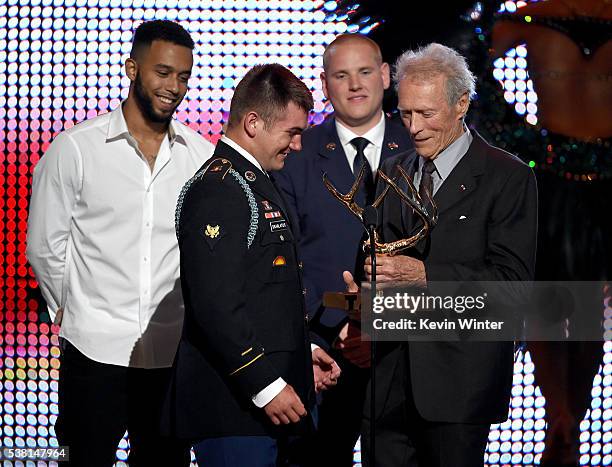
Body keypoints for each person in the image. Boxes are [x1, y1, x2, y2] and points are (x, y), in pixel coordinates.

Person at [26, 20, 214, 466]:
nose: (174, 87)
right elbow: (45, 247)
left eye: (184, 76)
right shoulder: (76, 149)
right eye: (163, 72)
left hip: (171, 355)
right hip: (94, 354)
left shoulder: (200, 155)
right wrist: (76, 312)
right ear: (132, 68)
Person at [348, 43, 538, 466]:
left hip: (459, 386)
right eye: (406, 113)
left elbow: (512, 286)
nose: (414, 127)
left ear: (461, 105)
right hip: (388, 382)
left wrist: (425, 275)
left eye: (426, 114)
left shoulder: (506, 177)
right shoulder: (391, 171)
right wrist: (361, 299)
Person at [163, 63, 341, 467]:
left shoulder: (255, 180)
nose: (297, 145)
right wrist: (265, 384)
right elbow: (215, 307)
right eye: (291, 133)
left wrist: (302, 352)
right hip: (235, 410)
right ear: (254, 122)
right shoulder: (220, 189)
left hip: (269, 405)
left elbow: (267, 294)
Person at [274, 33, 412, 466]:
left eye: (365, 72)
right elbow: (282, 253)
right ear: (325, 84)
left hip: (403, 355)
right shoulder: (296, 152)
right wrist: (337, 329)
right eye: (341, 75)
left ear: (386, 76)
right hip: (319, 353)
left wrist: (380, 328)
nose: (355, 85)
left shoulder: (420, 147)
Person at [490, 2, 611, 465]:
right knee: (547, 303)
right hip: (553, 177)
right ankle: (563, 418)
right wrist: (512, 132)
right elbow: (469, 64)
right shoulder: (534, 14)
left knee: (584, 309)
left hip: (604, 180)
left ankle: (567, 421)